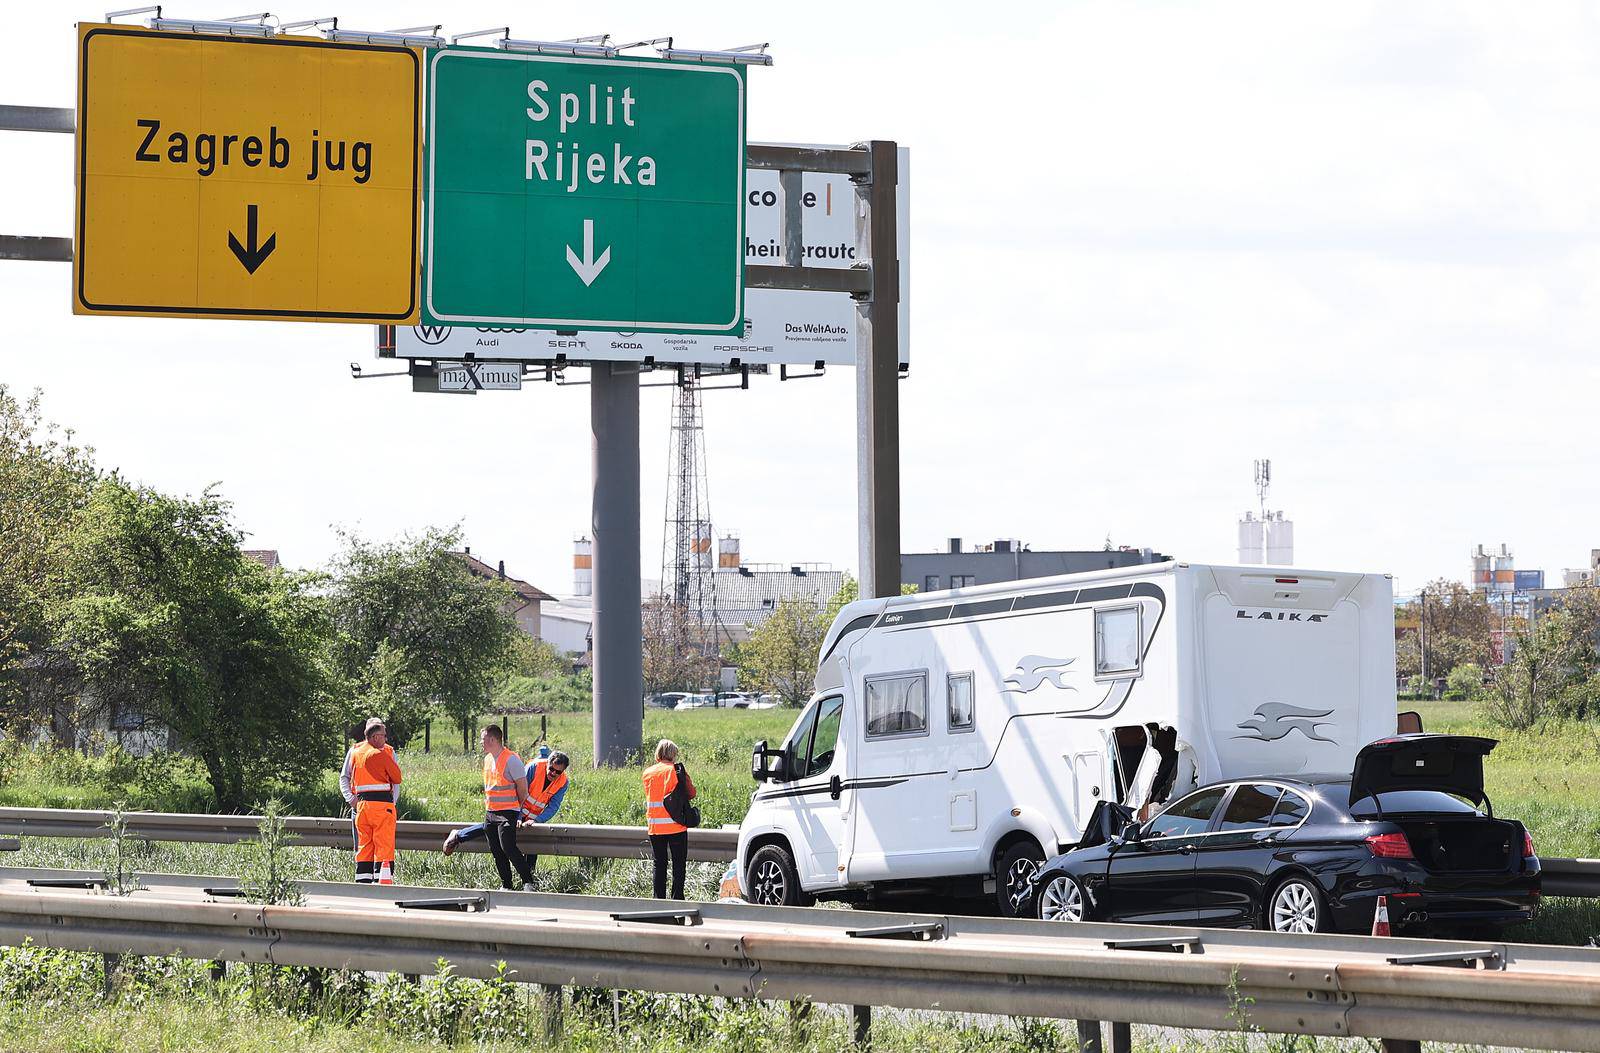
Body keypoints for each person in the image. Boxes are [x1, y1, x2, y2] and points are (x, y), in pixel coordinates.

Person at [443, 746, 570, 874]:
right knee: (494, 826)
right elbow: (518, 791)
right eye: (551, 769)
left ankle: (530, 878)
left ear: (563, 771)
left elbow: (554, 806)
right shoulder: (534, 767)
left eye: (557, 772)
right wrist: (518, 816)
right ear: (547, 763)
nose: (553, 773)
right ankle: (458, 836)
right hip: (514, 807)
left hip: (533, 818)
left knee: (532, 842)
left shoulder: (563, 782)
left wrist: (536, 820)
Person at [479, 723, 537, 890]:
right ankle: (507, 885)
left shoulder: (512, 759)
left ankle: (528, 882)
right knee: (496, 851)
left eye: (483, 739)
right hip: (491, 812)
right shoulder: (488, 759)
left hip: (508, 812)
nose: (481, 743)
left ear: (492, 739)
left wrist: (516, 808)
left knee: (508, 848)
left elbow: (523, 789)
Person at [349, 717, 402, 884]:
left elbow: (347, 777)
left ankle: (363, 883)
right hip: (382, 807)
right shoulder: (383, 753)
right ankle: (383, 882)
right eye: (384, 735)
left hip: (362, 807)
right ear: (376, 737)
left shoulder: (356, 752)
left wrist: (352, 800)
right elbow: (397, 778)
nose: (386, 739)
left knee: (364, 846)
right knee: (384, 845)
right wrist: (392, 803)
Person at [643, 739, 696, 900]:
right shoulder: (676, 770)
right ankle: (677, 900)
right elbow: (691, 793)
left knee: (659, 865)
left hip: (655, 827)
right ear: (673, 754)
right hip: (676, 826)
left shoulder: (647, 773)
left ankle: (658, 901)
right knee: (678, 866)